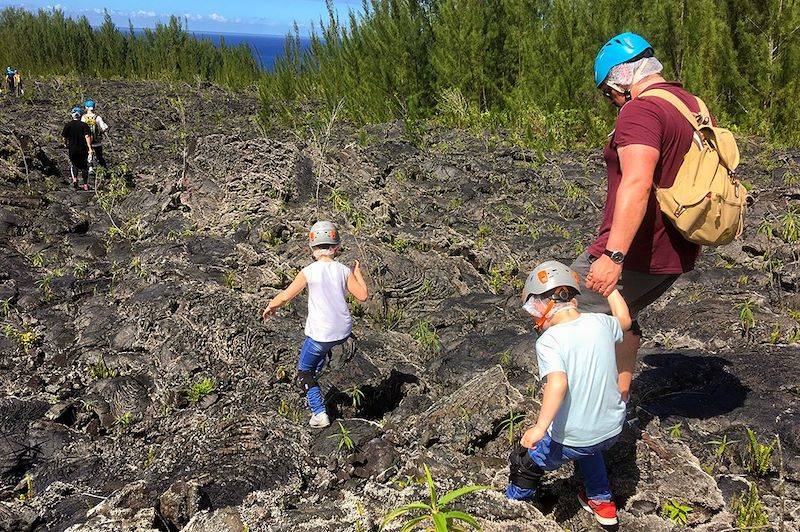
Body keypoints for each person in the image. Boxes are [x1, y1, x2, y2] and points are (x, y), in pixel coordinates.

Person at [572, 32, 706, 403]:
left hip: (636, 249)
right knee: (620, 312)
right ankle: (619, 401)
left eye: (608, 94)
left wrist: (613, 257)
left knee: (564, 309)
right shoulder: (690, 104)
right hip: (676, 249)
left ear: (619, 81)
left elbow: (637, 183)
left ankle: (586, 418)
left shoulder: (641, 110)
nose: (613, 103)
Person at [506, 260, 631, 526]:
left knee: (525, 461)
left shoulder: (550, 340)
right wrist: (609, 289)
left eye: (532, 308)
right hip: (611, 430)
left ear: (543, 305)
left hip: (574, 438)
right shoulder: (601, 322)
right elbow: (625, 320)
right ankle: (602, 501)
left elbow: (558, 385)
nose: (533, 316)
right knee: (589, 450)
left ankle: (511, 508)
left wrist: (540, 428)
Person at [262, 221, 368, 428]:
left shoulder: (308, 271)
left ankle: (319, 414)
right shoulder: (344, 271)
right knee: (319, 355)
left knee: (304, 372)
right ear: (336, 248)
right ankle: (318, 371)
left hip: (321, 335)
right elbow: (363, 295)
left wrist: (270, 307)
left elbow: (285, 296)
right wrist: (357, 273)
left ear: (312, 248)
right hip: (343, 331)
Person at [61, 107, 94, 191]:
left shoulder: (68, 125)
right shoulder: (84, 125)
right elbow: (87, 136)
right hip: (83, 149)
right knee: (84, 166)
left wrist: (65, 144)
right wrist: (90, 148)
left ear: (72, 115)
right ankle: (85, 184)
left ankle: (75, 179)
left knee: (74, 164)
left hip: (72, 149)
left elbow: (64, 137)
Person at [81, 100, 109, 167]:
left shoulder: (83, 118)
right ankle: (104, 170)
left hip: (87, 142)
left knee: (87, 155)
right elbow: (104, 128)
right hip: (97, 142)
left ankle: (90, 168)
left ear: (86, 107)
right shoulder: (98, 118)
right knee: (99, 157)